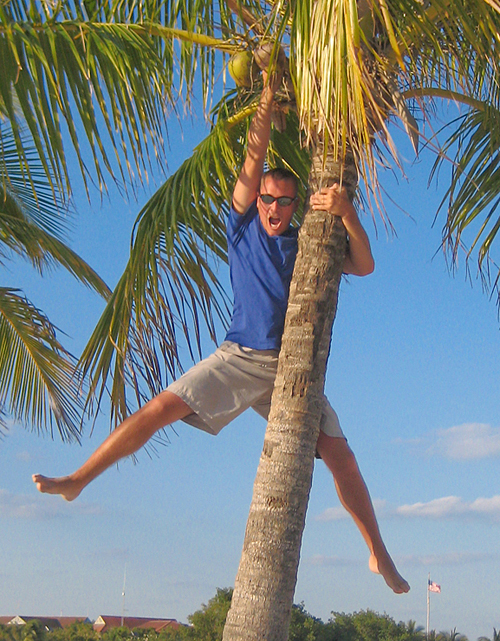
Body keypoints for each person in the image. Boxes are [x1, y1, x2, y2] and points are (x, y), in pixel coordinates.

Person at [33, 69, 410, 595]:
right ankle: (79, 479)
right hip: (238, 356)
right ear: (257, 201)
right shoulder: (241, 228)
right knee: (158, 408)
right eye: (269, 199)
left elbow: (364, 266)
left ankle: (377, 552)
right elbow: (252, 161)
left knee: (341, 456)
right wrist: (268, 98)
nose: (275, 209)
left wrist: (345, 213)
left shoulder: (311, 242)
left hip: (292, 370)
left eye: (285, 201)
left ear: (296, 204)